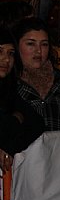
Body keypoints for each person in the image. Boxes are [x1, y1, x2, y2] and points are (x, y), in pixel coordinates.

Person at [13, 17, 60, 130]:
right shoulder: (11, 80)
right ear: (16, 46)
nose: (38, 50)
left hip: (59, 146)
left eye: (44, 44)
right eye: (31, 44)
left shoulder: (59, 77)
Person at [0, 27, 45, 173]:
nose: (6, 59)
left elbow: (37, 123)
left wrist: (9, 148)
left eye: (11, 53)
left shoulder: (9, 90)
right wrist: (16, 119)